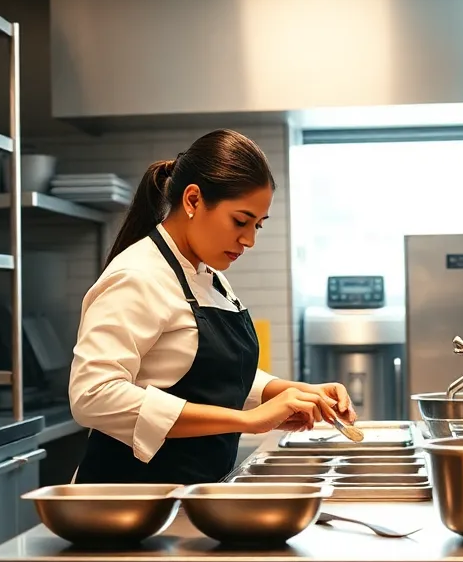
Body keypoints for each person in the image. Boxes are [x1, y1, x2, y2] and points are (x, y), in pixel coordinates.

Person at [69, 129, 356, 485]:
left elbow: (212, 374)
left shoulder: (207, 273)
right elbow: (93, 396)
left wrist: (290, 392)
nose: (248, 240)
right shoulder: (137, 275)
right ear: (192, 200)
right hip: (130, 500)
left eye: (258, 225)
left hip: (191, 493)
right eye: (240, 221)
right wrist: (249, 420)